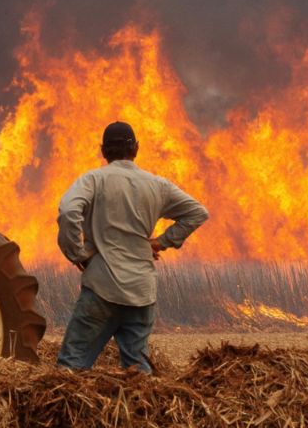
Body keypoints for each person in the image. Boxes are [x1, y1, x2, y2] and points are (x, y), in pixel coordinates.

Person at [56, 121, 209, 373]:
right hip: (141, 292)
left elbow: (69, 211)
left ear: (103, 150)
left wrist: (77, 253)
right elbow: (197, 213)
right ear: (136, 149)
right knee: (138, 377)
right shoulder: (157, 185)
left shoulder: (93, 180)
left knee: (70, 369)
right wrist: (162, 241)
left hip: (102, 288)